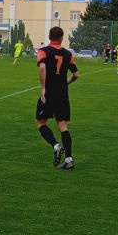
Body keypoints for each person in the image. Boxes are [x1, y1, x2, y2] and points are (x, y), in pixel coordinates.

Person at [35, 27, 79, 171]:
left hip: (48, 92)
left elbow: (42, 67)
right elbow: (76, 75)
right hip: (62, 93)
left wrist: (43, 88)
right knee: (62, 126)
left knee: (41, 123)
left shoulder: (43, 51)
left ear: (49, 36)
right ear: (62, 37)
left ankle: (56, 146)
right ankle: (69, 160)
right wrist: (66, 82)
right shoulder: (68, 54)